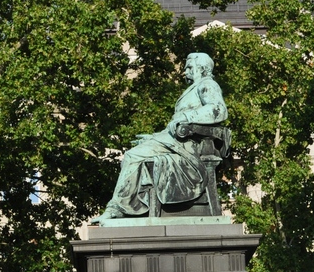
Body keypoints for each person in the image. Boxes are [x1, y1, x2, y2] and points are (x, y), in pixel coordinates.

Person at [92, 52, 228, 221]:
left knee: (132, 156)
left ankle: (118, 208)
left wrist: (186, 117)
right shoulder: (195, 87)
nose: (185, 70)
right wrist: (153, 136)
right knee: (136, 153)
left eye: (190, 66)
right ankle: (126, 206)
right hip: (175, 140)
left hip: (189, 145)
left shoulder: (208, 84)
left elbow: (218, 110)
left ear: (201, 68)